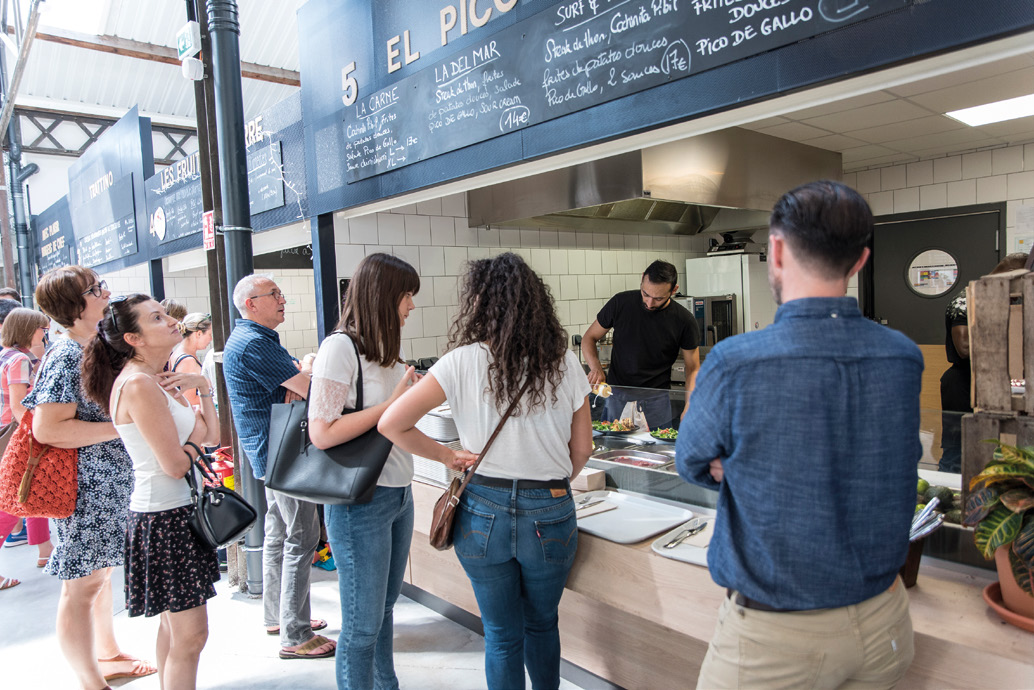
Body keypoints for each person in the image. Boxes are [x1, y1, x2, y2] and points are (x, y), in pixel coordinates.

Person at [676, 181, 920, 689]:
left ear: (778, 250)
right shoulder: (901, 355)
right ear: (860, 261)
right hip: (886, 623)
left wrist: (747, 466)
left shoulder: (735, 361)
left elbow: (692, 460)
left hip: (774, 640)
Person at [381, 252, 593, 690]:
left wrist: (446, 457)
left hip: (481, 510)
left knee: (500, 633)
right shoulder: (564, 361)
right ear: (537, 302)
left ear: (480, 303)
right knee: (542, 624)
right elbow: (584, 449)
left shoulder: (459, 362)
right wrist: (550, 483)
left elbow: (391, 424)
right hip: (549, 508)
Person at [22, 267, 157, 688]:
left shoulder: (91, 346)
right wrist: (123, 426)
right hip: (85, 490)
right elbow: (48, 429)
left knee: (97, 578)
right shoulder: (66, 355)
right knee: (81, 587)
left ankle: (107, 656)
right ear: (75, 305)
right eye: (96, 290)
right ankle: (90, 680)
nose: (106, 293)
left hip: (105, 485)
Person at [82, 294, 220, 690]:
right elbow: (176, 465)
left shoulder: (154, 378)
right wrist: (193, 436)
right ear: (134, 338)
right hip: (163, 518)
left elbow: (211, 434)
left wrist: (203, 388)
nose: (171, 322)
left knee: (175, 632)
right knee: (191, 637)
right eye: (156, 318)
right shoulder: (139, 384)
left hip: (172, 515)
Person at [305, 253, 429, 688]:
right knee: (361, 624)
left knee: (385, 609)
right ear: (382, 296)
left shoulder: (388, 354)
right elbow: (321, 432)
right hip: (361, 502)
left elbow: (394, 425)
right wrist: (393, 404)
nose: (411, 307)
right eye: (406, 296)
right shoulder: (340, 348)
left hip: (398, 493)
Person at [222, 273, 334, 660]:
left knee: (279, 532)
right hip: (282, 455)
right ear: (252, 304)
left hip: (268, 453)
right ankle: (295, 633)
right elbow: (311, 392)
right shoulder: (254, 343)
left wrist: (298, 376)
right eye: (275, 294)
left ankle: (276, 616)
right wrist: (309, 376)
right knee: (302, 536)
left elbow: (294, 385)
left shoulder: (253, 339)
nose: (283, 300)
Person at [581, 260, 700, 431]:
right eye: (645, 294)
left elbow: (693, 369)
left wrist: (690, 405)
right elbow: (589, 338)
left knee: (658, 453)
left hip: (657, 401)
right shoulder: (620, 303)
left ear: (673, 290)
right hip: (616, 397)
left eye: (658, 298)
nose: (650, 303)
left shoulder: (684, 321)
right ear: (642, 278)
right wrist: (595, 368)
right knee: (612, 451)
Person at [939, 252, 1028, 472]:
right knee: (957, 447)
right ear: (1011, 274)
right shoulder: (967, 299)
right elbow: (964, 349)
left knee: (990, 446)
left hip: (993, 384)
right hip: (962, 382)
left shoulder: (1008, 298)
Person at [0, 308, 55, 578]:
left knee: (32, 490)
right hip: (17, 433)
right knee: (13, 499)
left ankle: (45, 550)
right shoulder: (20, 359)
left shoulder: (5, 355)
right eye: (41, 329)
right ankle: (45, 550)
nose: (44, 334)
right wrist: (36, 434)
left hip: (8, 431)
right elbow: (19, 405)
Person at [169, 312, 213, 407]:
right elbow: (190, 399)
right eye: (209, 334)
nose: (211, 339)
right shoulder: (187, 361)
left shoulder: (178, 353)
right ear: (199, 334)